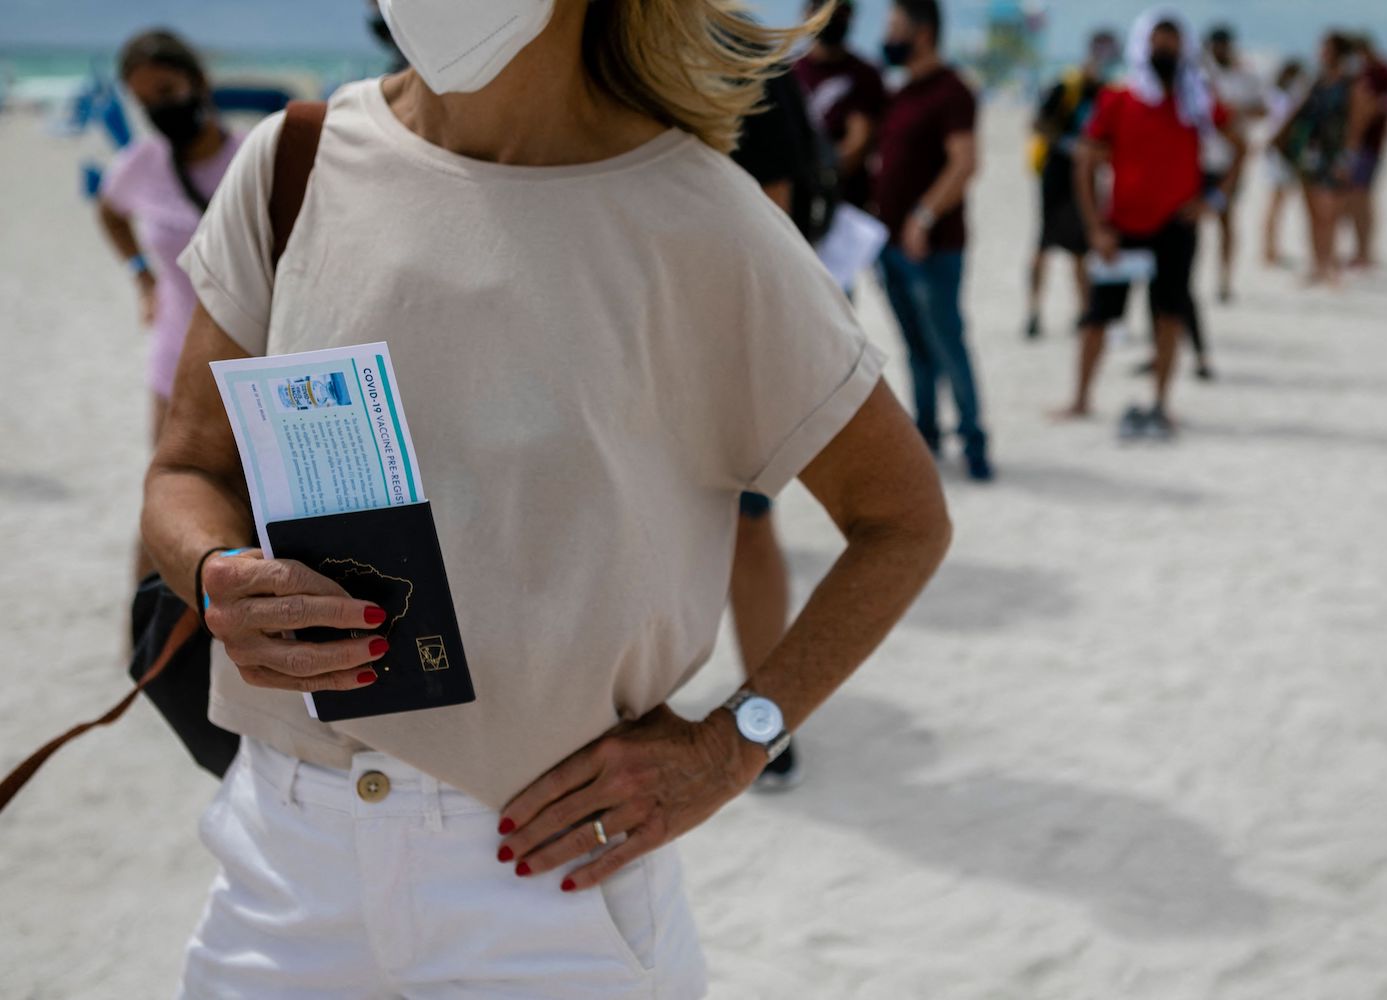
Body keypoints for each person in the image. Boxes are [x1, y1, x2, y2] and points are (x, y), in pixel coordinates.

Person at [141, 1, 953, 994]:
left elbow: (903, 519)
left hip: (551, 879)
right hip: (283, 857)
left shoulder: (706, 219)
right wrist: (216, 571)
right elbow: (186, 470)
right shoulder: (297, 163)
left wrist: (732, 743)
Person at [95, 30, 245, 581]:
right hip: (173, 369)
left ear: (198, 82)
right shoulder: (141, 164)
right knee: (169, 513)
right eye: (145, 100)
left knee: (249, 518)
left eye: (168, 88)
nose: (161, 107)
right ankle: (151, 651)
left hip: (249, 367)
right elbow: (110, 211)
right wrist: (141, 276)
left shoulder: (254, 155)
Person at [1057, 6, 1239, 434]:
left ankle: (1161, 400)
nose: (1166, 50)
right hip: (1120, 226)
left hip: (1176, 226)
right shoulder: (1118, 98)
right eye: (1158, 40)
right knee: (1098, 316)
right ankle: (1081, 398)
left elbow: (1239, 145)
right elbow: (1085, 159)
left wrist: (1214, 197)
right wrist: (1096, 225)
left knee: (1169, 315)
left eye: (1173, 41)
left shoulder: (1197, 99)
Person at [727, 64, 834, 792]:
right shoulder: (606, 47)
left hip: (730, 334)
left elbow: (776, 210)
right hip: (636, 326)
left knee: (748, 522)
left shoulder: (741, 58)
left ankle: (770, 717)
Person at [875, 0, 992, 480]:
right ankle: (927, 437)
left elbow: (965, 162)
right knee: (915, 349)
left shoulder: (952, 91)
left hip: (934, 247)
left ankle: (974, 440)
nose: (889, 37)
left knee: (948, 343)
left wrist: (923, 217)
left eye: (896, 28)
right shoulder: (901, 92)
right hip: (890, 245)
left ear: (923, 33)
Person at [1024, 29, 1119, 340]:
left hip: (1087, 179)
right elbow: (1038, 122)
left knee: (1081, 248)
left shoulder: (1107, 93)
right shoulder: (1067, 85)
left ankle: (1084, 312)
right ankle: (1033, 311)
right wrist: (1068, 144)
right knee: (1044, 244)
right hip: (1055, 175)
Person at [1277, 31, 1356, 286]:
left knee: (1331, 213)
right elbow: (1297, 112)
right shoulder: (1315, 81)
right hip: (1311, 151)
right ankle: (1318, 263)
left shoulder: (1348, 84)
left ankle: (1330, 264)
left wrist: (1347, 155)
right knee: (1312, 212)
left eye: (1326, 48)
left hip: (1335, 153)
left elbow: (1354, 122)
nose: (1321, 52)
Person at [793, 0, 886, 212]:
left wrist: (820, 172)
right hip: (796, 204)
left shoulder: (864, 76)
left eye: (839, 12)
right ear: (807, 14)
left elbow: (858, 142)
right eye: (823, 10)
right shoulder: (789, 73)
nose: (832, 19)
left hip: (847, 206)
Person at [1201, 24, 1264, 302]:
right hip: (1200, 158)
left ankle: (1224, 279)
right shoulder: (1199, 75)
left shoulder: (1245, 76)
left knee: (1227, 220)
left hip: (1229, 159)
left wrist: (1233, 111)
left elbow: (1263, 108)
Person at [1344, 35, 1387, 267]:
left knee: (1359, 198)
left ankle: (1363, 251)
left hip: (1365, 146)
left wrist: (1352, 142)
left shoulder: (1374, 75)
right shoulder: (1382, 73)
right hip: (1371, 145)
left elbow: (1369, 111)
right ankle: (1363, 250)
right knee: (1361, 199)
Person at [1262, 59, 1307, 265]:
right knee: (1275, 203)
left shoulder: (1279, 96)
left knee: (1277, 203)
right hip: (1280, 153)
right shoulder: (1282, 98)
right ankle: (1269, 249)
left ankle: (1271, 248)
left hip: (1281, 152)